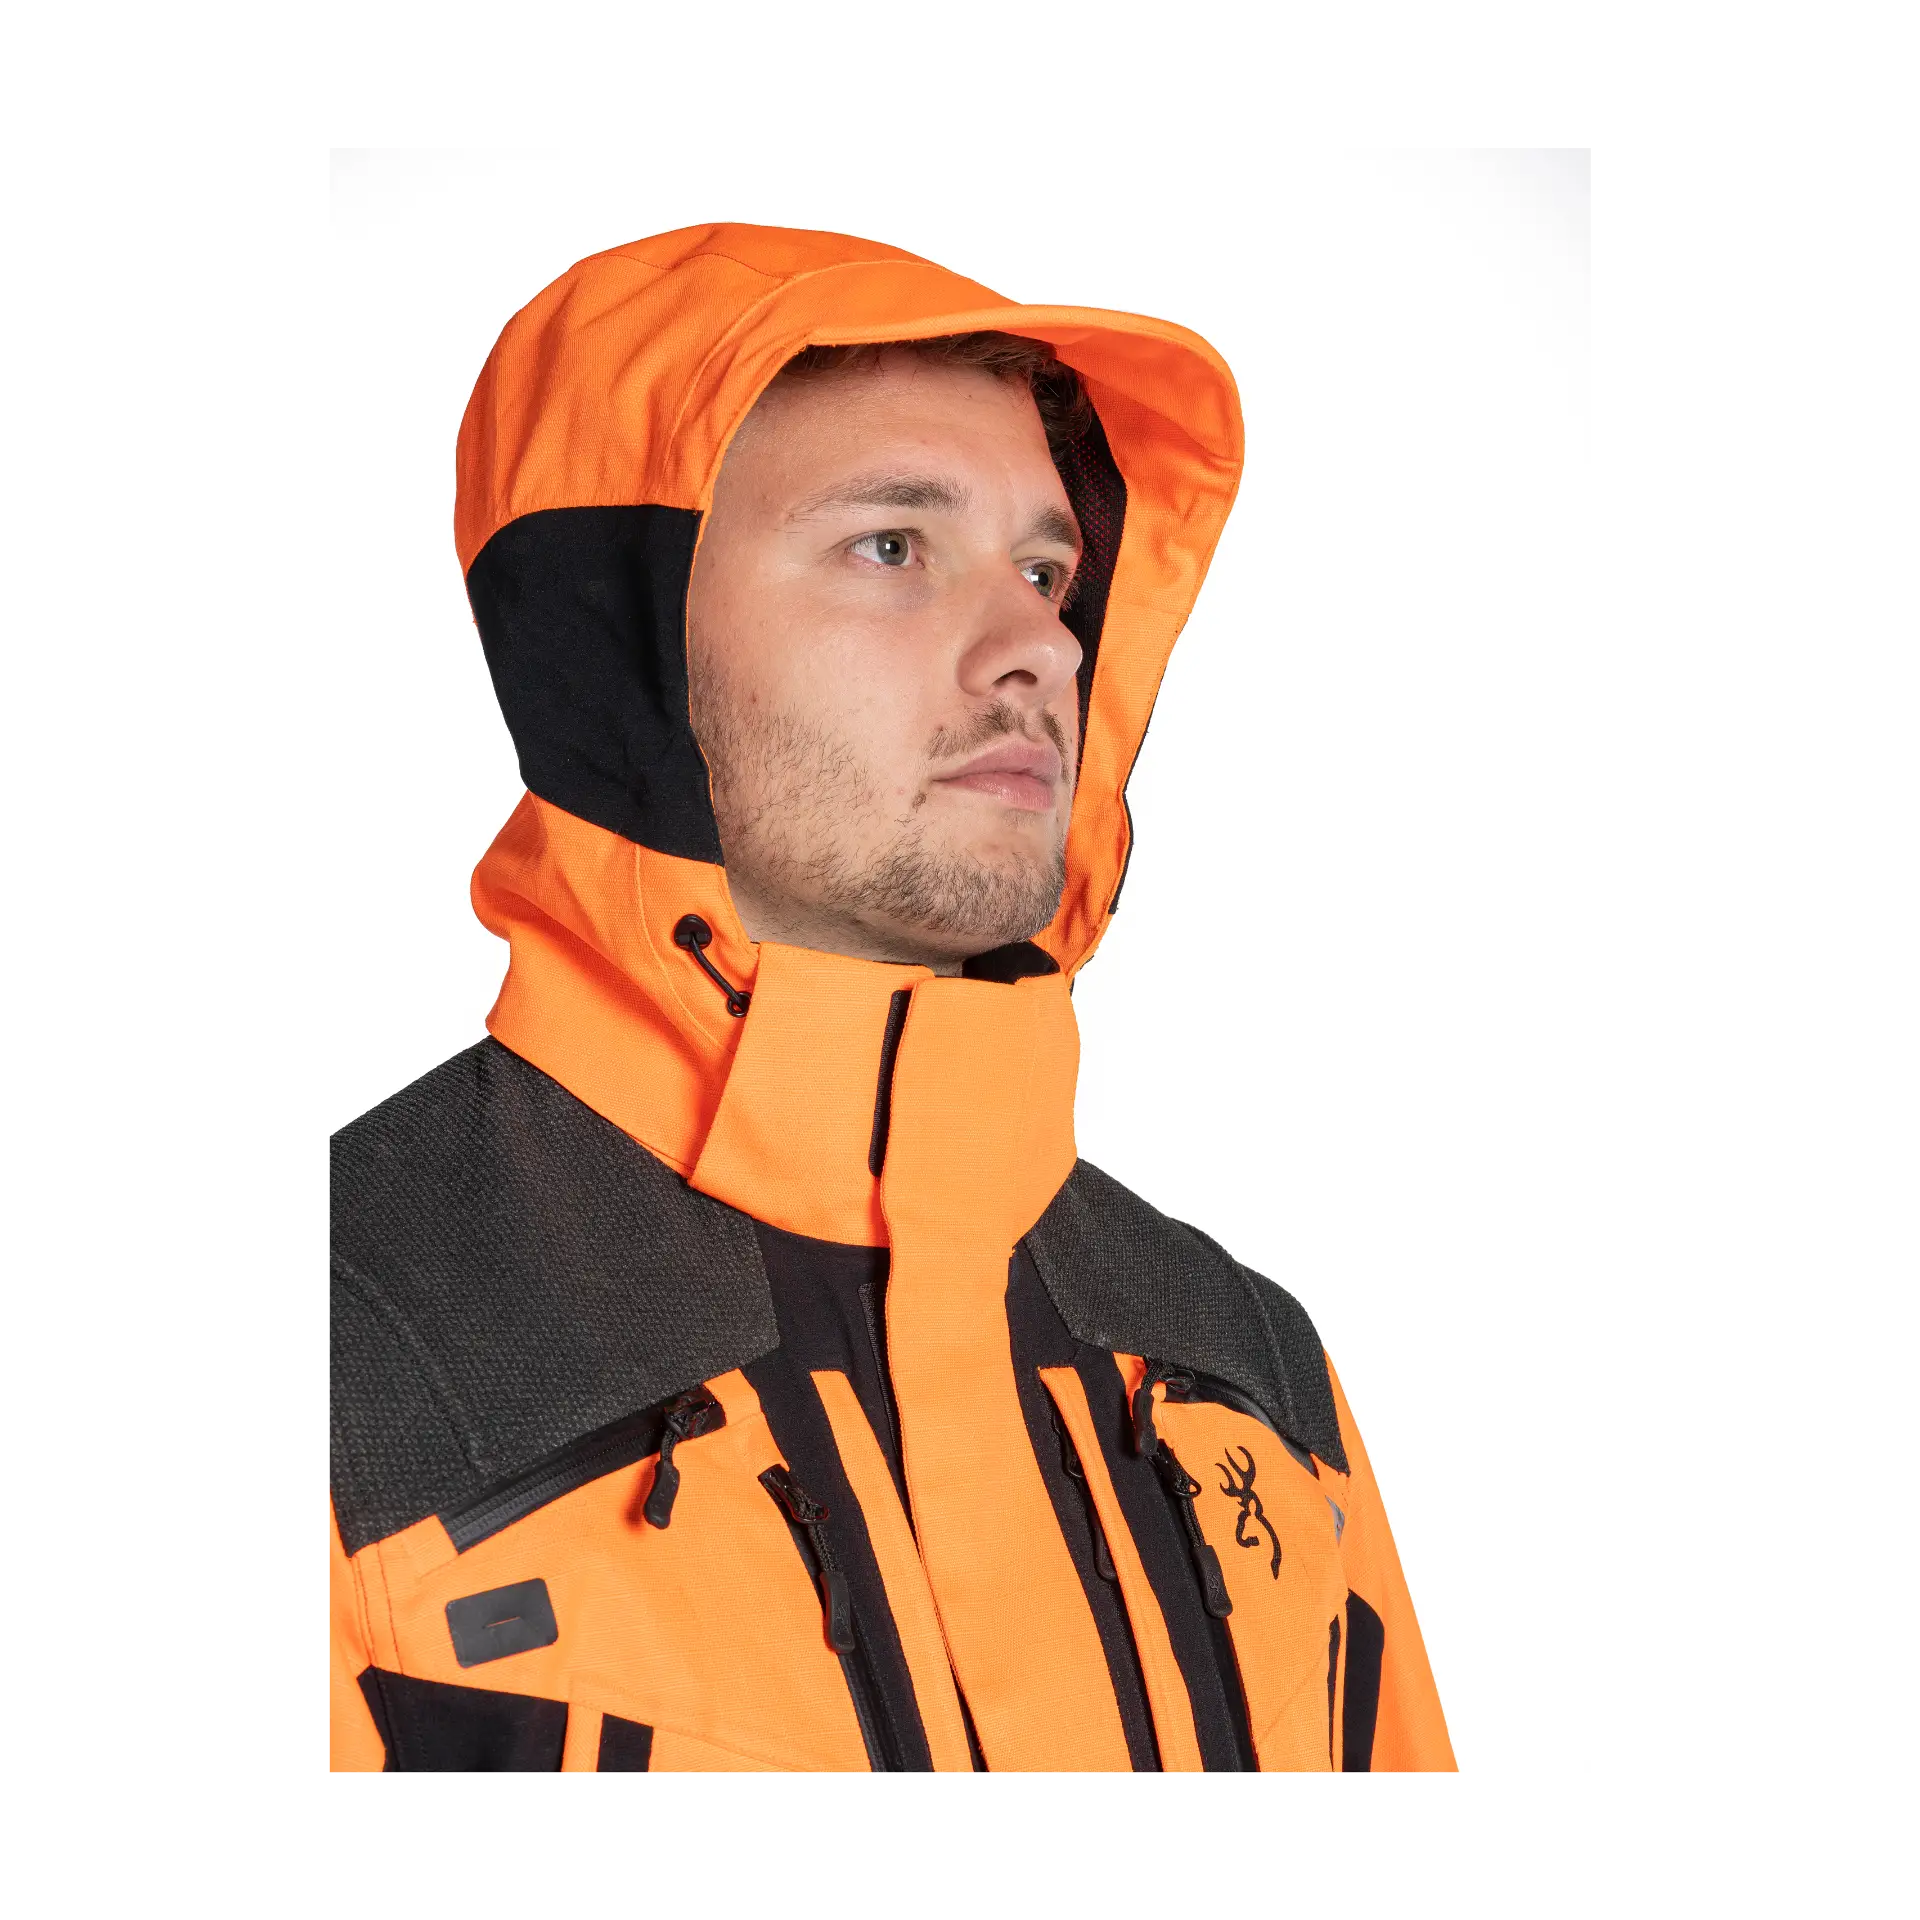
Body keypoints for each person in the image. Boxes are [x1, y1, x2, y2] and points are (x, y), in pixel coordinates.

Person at [327, 223, 1455, 1774]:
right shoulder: (367, 1363)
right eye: (893, 548)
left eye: (1047, 570)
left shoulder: (1244, 1371)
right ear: (624, 639)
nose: (1038, 649)